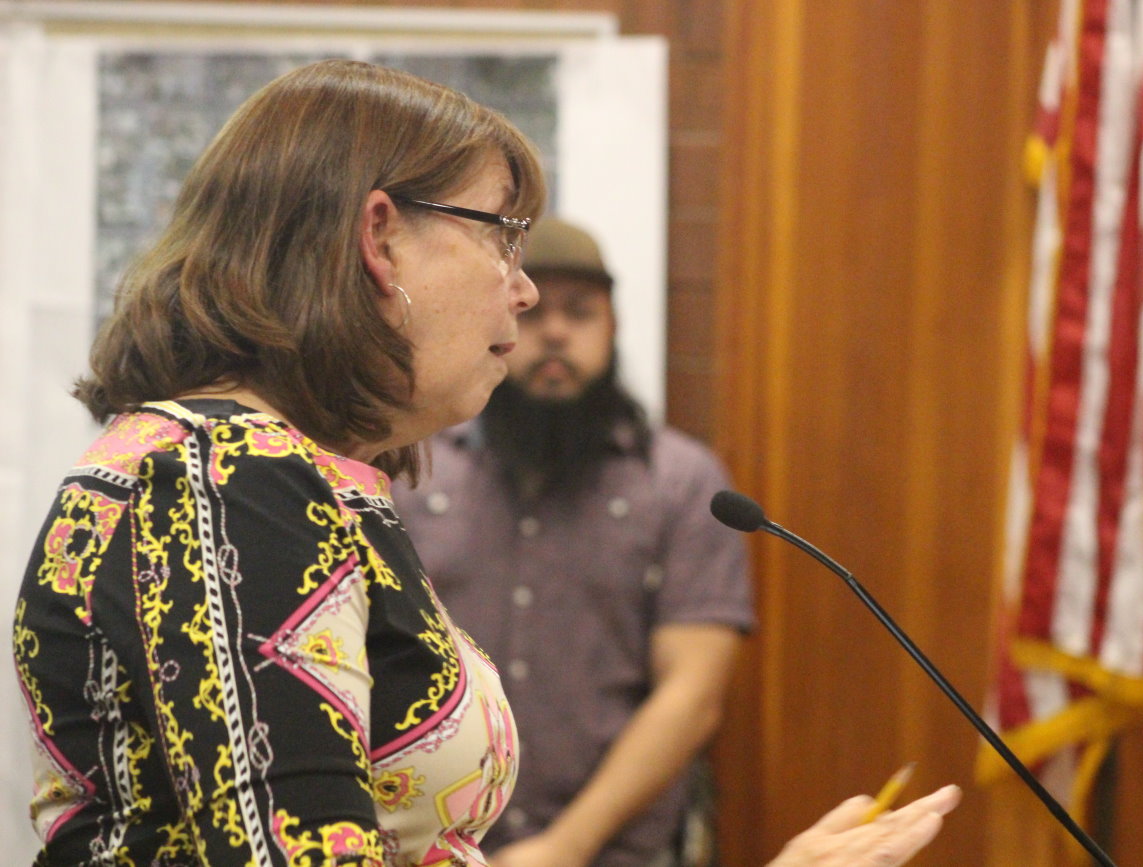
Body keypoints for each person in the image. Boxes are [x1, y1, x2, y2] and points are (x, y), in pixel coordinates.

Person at [9, 59, 959, 867]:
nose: (525, 286)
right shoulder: (226, 476)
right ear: (379, 237)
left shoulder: (283, 470)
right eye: (501, 233)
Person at [393, 216, 749, 867]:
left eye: (581, 313)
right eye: (533, 314)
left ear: (613, 329)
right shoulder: (413, 471)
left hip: (614, 852)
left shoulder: (680, 482)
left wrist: (566, 846)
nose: (555, 332)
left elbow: (692, 695)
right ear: (494, 322)